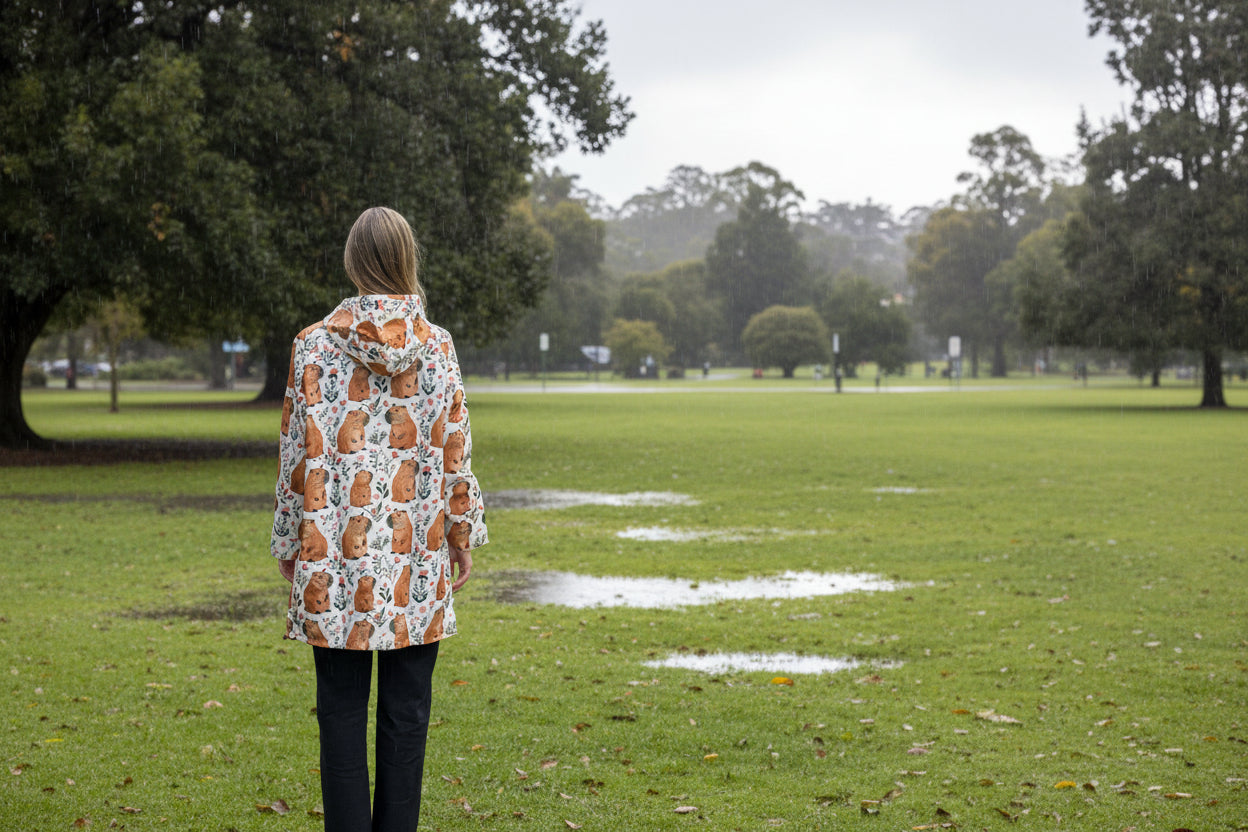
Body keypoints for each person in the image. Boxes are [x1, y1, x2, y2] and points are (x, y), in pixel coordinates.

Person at [270, 207, 487, 832]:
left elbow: (294, 456)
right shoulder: (437, 347)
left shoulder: (312, 346)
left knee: (339, 715)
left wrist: (291, 542)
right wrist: (461, 535)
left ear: (352, 262)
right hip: (415, 561)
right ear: (406, 260)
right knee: (407, 716)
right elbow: (456, 452)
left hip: (333, 561)